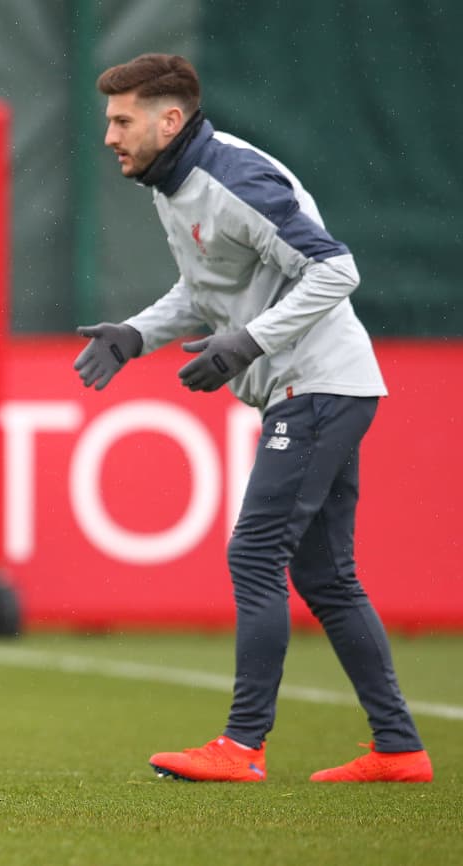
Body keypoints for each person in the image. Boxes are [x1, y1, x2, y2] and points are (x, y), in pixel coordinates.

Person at [74, 54, 432, 783]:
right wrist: (135, 334)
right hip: (316, 386)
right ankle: (399, 749)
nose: (108, 135)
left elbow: (336, 269)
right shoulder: (174, 183)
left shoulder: (234, 180)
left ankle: (242, 747)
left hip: (318, 385)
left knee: (254, 554)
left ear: (168, 120)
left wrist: (249, 340)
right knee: (328, 575)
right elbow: (206, 288)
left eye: (121, 120)